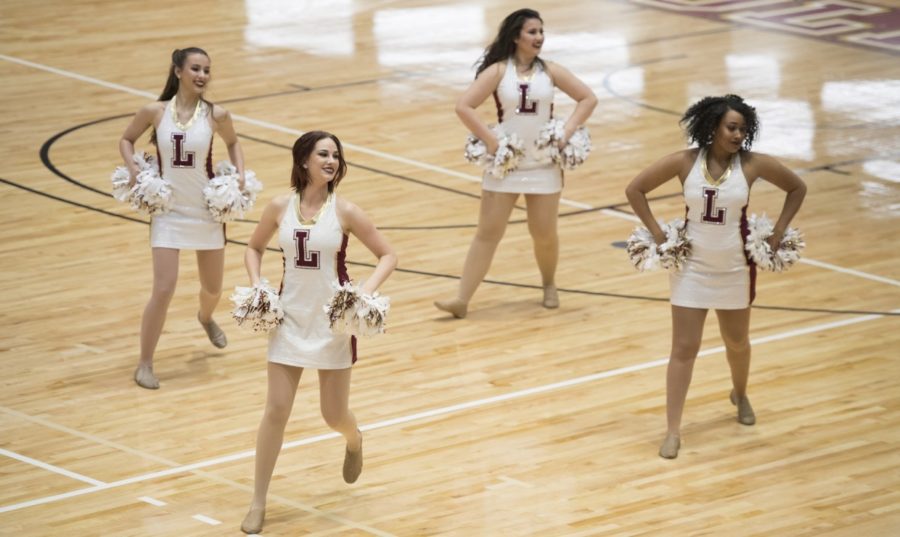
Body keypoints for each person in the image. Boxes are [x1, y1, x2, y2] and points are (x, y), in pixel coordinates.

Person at [624, 95, 807, 459]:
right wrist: (659, 235)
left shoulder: (753, 165)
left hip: (735, 269)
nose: (739, 135)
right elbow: (635, 189)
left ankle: (739, 393)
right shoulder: (684, 161)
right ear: (712, 127)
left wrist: (778, 233)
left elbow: (797, 187)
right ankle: (673, 430)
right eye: (732, 127)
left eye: (743, 128)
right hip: (691, 268)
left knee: (736, 342)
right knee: (684, 349)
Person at [240, 131, 397, 534]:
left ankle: (354, 438)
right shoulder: (279, 206)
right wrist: (257, 283)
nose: (330, 160)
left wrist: (364, 293)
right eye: (323, 153)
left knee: (333, 415)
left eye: (335, 155)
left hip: (332, 325)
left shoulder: (345, 211)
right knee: (276, 410)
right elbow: (253, 247)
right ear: (304, 160)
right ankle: (258, 502)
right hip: (289, 320)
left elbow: (388, 254)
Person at [434, 8, 597, 318]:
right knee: (488, 232)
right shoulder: (497, 72)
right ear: (515, 37)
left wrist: (566, 131)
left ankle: (549, 284)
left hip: (544, 164)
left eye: (541, 31)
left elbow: (587, 98)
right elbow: (463, 106)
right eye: (532, 32)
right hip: (506, 165)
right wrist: (492, 142)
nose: (539, 37)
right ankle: (461, 299)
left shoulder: (551, 71)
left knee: (544, 233)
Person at [119, 47, 246, 389]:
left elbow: (234, 144)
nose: (202, 75)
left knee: (213, 287)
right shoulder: (155, 111)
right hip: (168, 210)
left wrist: (240, 175)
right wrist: (133, 168)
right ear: (178, 71)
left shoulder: (217, 115)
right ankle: (144, 363)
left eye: (207, 70)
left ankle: (205, 317)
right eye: (195, 69)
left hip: (205, 210)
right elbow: (127, 139)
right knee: (163, 288)